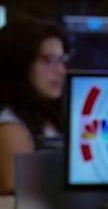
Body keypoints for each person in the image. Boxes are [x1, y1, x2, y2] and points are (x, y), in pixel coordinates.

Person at [0, 18, 68, 196]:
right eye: (49, 60)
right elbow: (21, 203)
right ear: (20, 63)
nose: (61, 71)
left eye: (62, 60)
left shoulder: (50, 116)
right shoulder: (12, 129)